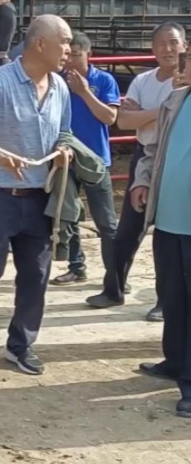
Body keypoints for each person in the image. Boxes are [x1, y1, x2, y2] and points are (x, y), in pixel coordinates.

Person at [0, 14, 74, 377]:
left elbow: (64, 132)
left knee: (36, 275)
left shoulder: (60, 88)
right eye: (64, 42)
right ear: (40, 44)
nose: (69, 49)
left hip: (39, 197)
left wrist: (65, 149)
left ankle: (20, 344)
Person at [85, 21, 186, 319]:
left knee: (168, 234)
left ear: (184, 46)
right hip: (145, 156)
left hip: (176, 159)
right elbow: (123, 122)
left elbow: (136, 118)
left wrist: (143, 115)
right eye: (161, 44)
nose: (168, 49)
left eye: (173, 43)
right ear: (152, 49)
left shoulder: (185, 83)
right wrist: (164, 111)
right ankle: (113, 289)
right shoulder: (143, 80)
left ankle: (165, 301)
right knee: (128, 228)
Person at [130, 55, 191, 417]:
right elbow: (152, 149)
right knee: (173, 296)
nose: (186, 63)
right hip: (168, 221)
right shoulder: (175, 101)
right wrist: (140, 179)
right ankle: (175, 362)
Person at [50, 31, 120, 286]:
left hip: (96, 158)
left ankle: (116, 273)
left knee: (106, 222)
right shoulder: (56, 82)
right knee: (68, 214)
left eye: (77, 55)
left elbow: (110, 118)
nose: (71, 61)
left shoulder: (104, 80)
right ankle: (76, 266)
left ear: (88, 54)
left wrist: (83, 92)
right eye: (68, 55)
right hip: (66, 157)